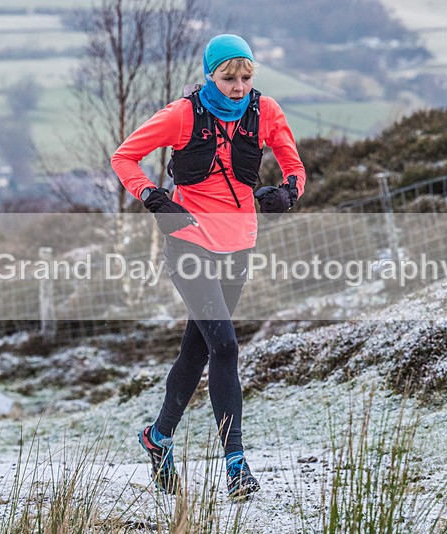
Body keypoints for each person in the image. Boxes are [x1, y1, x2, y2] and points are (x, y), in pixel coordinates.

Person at [111, 33, 306, 499]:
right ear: (210, 75)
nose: (238, 86)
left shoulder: (266, 112)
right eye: (228, 77)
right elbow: (124, 157)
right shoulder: (183, 115)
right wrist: (155, 199)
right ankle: (236, 465)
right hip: (189, 241)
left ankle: (157, 438)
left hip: (238, 245)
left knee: (197, 351)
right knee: (226, 346)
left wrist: (287, 194)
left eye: (245, 77)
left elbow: (292, 165)